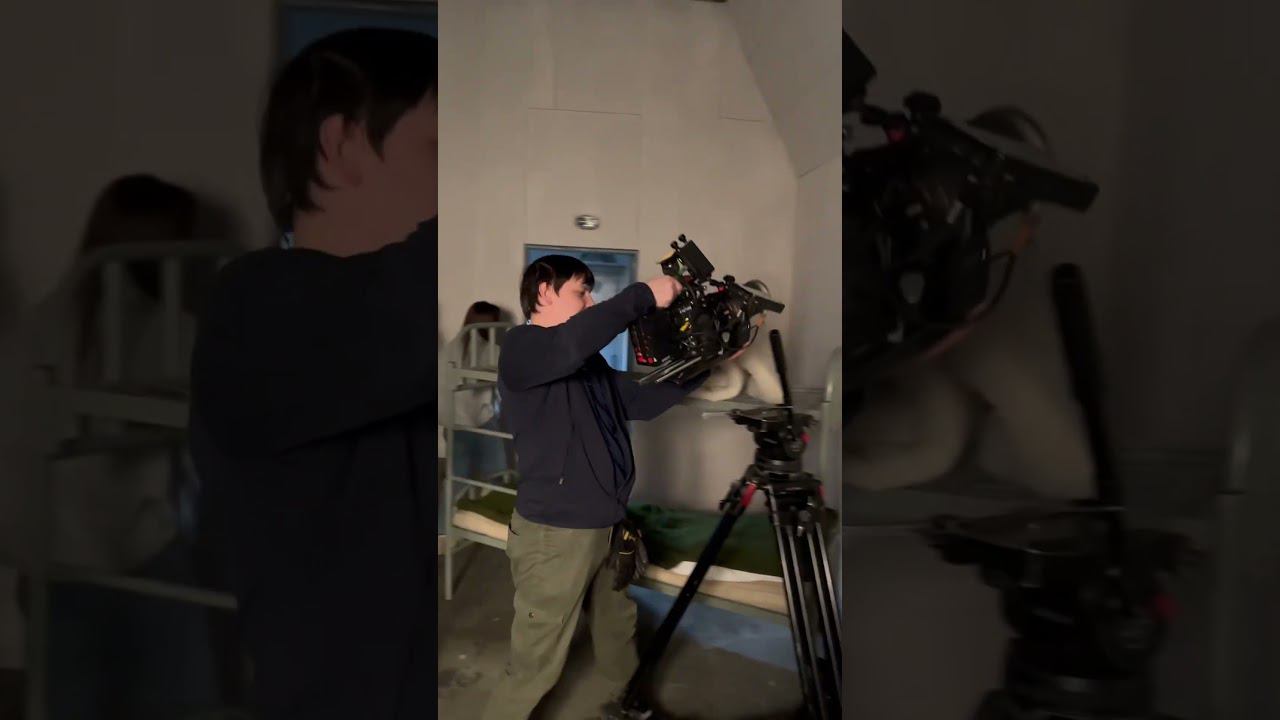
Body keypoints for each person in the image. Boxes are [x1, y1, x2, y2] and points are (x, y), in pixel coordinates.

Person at [187, 28, 437, 720]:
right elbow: (406, 304)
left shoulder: (398, 313)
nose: (460, 180)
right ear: (340, 145)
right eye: (442, 150)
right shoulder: (256, 306)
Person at [0, 173, 227, 719]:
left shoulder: (41, 323)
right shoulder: (178, 333)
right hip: (139, 557)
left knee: (68, 700)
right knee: (182, 700)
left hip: (52, 558)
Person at [481, 255, 703, 720]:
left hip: (607, 522)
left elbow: (642, 401)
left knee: (616, 623)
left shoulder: (588, 365)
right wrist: (643, 296)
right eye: (582, 291)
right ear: (545, 289)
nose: (590, 301)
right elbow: (570, 343)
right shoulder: (521, 347)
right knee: (535, 662)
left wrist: (707, 364)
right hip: (556, 534)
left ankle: (629, 702)